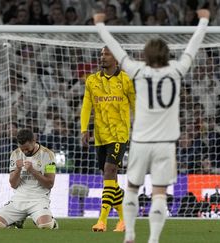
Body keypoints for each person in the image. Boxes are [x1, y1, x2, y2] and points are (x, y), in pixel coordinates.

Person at [93, 8, 210, 243]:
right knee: (159, 193)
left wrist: (99, 25)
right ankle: (154, 239)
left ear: (145, 55)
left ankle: (130, 235)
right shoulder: (177, 70)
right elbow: (193, 46)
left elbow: (116, 48)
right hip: (166, 145)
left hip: (140, 142)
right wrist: (204, 20)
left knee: (133, 188)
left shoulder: (137, 70)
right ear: (168, 55)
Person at [80, 46, 135, 232]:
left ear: (116, 59)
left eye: (107, 54)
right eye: (102, 54)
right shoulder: (92, 80)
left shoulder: (126, 80)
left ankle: (102, 220)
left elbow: (136, 105)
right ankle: (124, 220)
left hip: (120, 134)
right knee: (111, 179)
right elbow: (87, 106)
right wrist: (83, 129)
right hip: (100, 136)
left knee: (109, 170)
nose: (102, 57)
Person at [0, 128, 58, 229]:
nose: (25, 151)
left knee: (45, 226)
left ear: (34, 141)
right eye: (22, 149)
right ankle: (18, 220)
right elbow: (13, 184)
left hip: (39, 200)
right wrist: (17, 169)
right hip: (19, 199)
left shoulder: (48, 155)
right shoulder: (15, 154)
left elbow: (50, 184)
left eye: (27, 149)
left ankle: (52, 222)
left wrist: (32, 171)